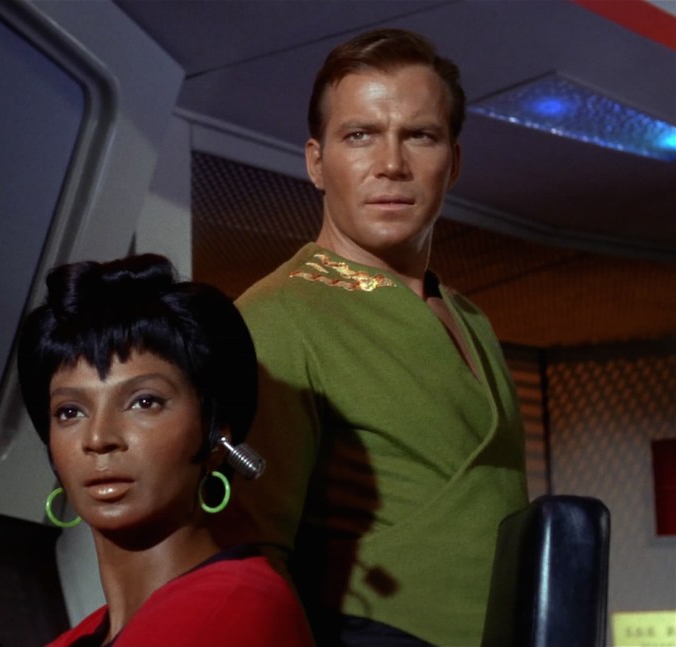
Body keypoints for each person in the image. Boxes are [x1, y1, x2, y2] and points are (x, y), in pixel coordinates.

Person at [211, 28, 529, 647]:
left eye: (420, 135)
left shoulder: (470, 318)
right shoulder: (275, 316)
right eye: (360, 135)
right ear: (316, 162)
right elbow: (252, 554)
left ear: (453, 163)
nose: (391, 164)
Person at [17, 254, 314, 647]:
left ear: (215, 433)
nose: (99, 438)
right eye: (69, 412)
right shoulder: (74, 640)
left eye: (145, 402)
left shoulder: (234, 607)